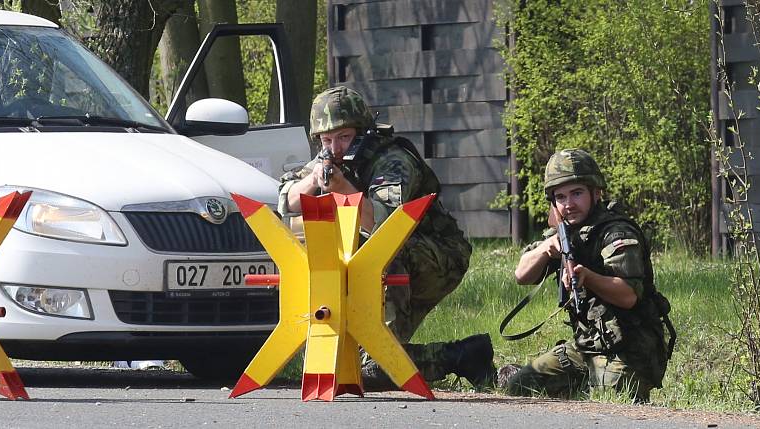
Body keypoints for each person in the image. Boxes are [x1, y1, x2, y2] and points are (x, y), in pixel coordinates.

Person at [277, 86, 494, 389]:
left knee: (381, 256)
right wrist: (315, 179)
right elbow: (287, 200)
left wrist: (344, 189)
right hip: (381, 261)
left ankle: (387, 350)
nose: (335, 147)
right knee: (355, 362)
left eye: (344, 137)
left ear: (363, 133)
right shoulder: (326, 161)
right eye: (327, 140)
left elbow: (388, 223)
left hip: (436, 255)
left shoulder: (392, 160)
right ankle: (464, 355)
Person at [498, 149, 674, 401]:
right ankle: (578, 386)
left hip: (630, 348)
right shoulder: (565, 233)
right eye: (560, 197)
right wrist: (548, 249)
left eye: (577, 193)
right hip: (586, 344)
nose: (569, 204)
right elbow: (521, 275)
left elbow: (628, 296)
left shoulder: (616, 233)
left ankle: (591, 387)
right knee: (521, 386)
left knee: (612, 401)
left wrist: (588, 277)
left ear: (596, 193)